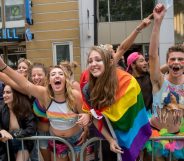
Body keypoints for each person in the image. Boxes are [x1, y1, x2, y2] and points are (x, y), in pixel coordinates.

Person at [0, 60, 90, 161]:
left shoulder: (75, 95)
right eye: (53, 74)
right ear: (49, 80)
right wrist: (3, 66)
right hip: (57, 140)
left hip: (76, 139)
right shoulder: (44, 94)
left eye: (60, 74)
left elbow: (85, 114)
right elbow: (25, 84)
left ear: (65, 79)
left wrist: (86, 128)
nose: (57, 76)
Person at [81, 45, 151, 161]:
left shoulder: (127, 82)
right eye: (90, 61)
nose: (93, 64)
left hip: (130, 135)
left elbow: (132, 114)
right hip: (105, 139)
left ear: (109, 62)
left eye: (98, 60)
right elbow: (95, 116)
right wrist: (110, 140)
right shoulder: (88, 89)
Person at [145, 3, 184, 161]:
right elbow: (153, 56)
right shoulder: (159, 82)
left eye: (181, 59)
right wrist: (158, 22)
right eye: (172, 59)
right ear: (168, 62)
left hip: (178, 138)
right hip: (156, 138)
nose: (176, 62)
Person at [0, 85, 36, 161]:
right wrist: (1, 131)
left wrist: (13, 134)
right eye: (4, 93)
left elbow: (31, 129)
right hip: (6, 145)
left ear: (15, 94)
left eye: (8, 92)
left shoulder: (25, 108)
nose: (4, 95)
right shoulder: (1, 108)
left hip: (23, 143)